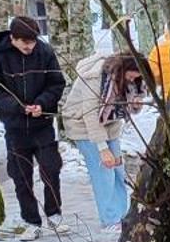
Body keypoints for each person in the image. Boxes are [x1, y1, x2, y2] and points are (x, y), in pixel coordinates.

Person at [0, 14, 66, 237]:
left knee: (51, 168)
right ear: (13, 38)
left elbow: (57, 83)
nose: (30, 46)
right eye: (25, 42)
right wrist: (18, 107)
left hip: (43, 124)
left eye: (33, 42)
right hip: (15, 126)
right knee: (21, 176)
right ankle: (31, 221)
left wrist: (42, 103)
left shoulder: (45, 52)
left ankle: (54, 214)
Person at [60, 49, 147, 229]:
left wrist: (136, 104)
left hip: (110, 125)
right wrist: (102, 148)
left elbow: (126, 107)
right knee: (103, 172)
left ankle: (123, 214)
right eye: (132, 75)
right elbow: (90, 116)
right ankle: (110, 219)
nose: (134, 80)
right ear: (124, 69)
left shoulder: (131, 80)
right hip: (83, 125)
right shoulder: (95, 78)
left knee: (117, 170)